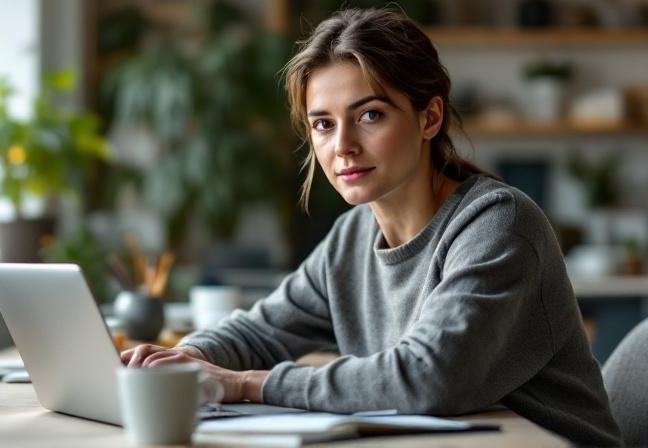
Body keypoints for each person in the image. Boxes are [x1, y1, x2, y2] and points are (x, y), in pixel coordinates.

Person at [122, 8, 621, 446]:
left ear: (429, 118)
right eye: (323, 124)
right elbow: (263, 329)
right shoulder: (352, 236)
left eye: (370, 115)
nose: (342, 145)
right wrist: (184, 359)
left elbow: (428, 377)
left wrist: (243, 384)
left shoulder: (497, 225)